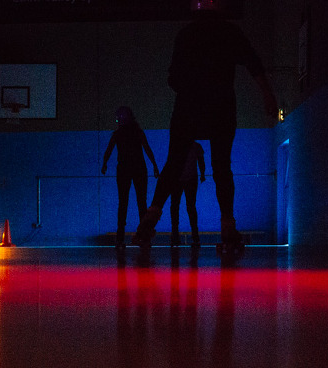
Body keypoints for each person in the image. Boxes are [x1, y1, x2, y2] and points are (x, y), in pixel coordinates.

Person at [131, 0, 277, 247]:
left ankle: (149, 220)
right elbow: (253, 62)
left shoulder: (185, 34)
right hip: (221, 106)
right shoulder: (229, 32)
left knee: (173, 163)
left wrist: (189, 89)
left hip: (187, 107)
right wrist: (267, 94)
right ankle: (228, 228)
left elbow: (173, 77)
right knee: (222, 167)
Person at [101, 106, 160, 250]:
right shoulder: (137, 132)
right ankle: (144, 237)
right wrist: (154, 164)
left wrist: (105, 163)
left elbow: (109, 150)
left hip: (125, 170)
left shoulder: (118, 134)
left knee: (124, 203)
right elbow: (146, 148)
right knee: (141, 203)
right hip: (139, 168)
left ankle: (121, 239)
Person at [170, 141, 206, 247]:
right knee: (190, 207)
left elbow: (172, 162)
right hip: (191, 179)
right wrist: (202, 173)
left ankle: (175, 236)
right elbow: (201, 161)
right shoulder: (196, 146)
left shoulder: (177, 145)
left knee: (175, 206)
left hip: (178, 179)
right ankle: (195, 236)